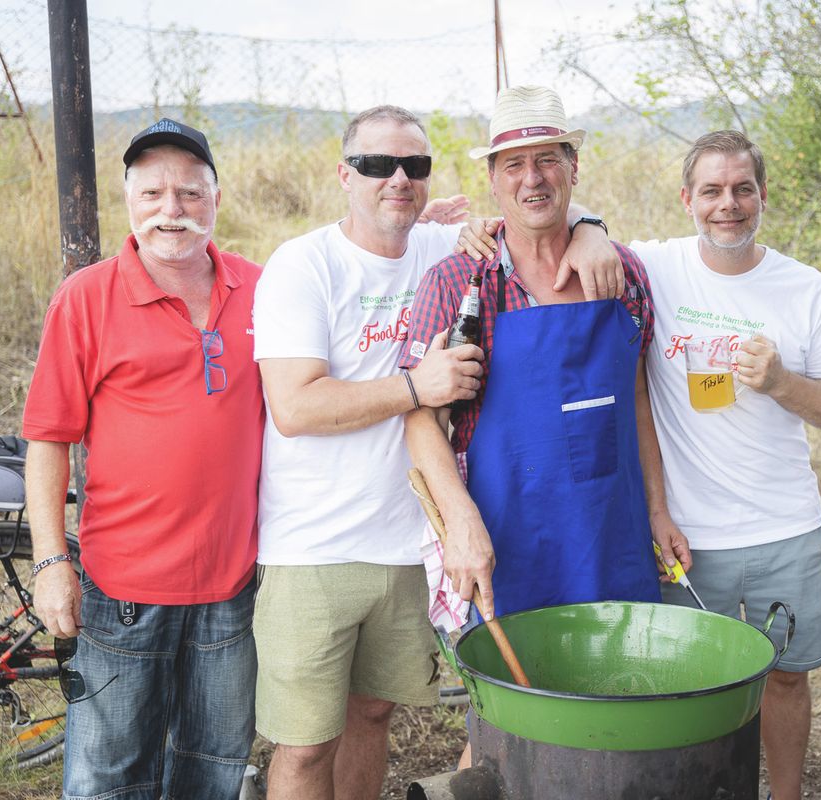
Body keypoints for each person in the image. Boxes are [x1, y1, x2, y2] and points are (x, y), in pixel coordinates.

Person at [458, 128, 821, 800]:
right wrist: (582, 228)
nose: (727, 204)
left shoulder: (807, 288)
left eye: (742, 190)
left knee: (788, 677)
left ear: (763, 196)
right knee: (678, 689)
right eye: (711, 190)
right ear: (686, 199)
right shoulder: (655, 267)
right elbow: (562, 224)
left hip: (782, 523)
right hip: (684, 536)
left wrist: (783, 383)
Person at [251, 103, 621, 800]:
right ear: (343, 174)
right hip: (314, 545)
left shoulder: (446, 249)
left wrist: (592, 231)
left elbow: (536, 204)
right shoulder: (304, 264)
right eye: (376, 165)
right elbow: (295, 408)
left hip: (408, 540)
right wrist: (414, 385)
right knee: (303, 747)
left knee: (373, 717)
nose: (398, 179)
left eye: (414, 166)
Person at [24, 118, 260, 799]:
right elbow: (48, 438)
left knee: (212, 766)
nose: (172, 210)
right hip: (122, 588)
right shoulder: (87, 297)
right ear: (128, 197)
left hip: (231, 588)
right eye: (153, 192)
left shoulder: (260, 289)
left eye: (190, 193)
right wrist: (50, 563)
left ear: (216, 197)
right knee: (108, 773)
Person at [401, 84, 663, 626]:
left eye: (547, 159)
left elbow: (638, 399)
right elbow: (423, 421)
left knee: (626, 694)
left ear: (574, 169)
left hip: (613, 532)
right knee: (514, 707)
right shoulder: (455, 283)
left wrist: (658, 513)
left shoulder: (623, 272)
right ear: (493, 180)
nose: (533, 178)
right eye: (514, 164)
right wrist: (460, 522)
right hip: (505, 541)